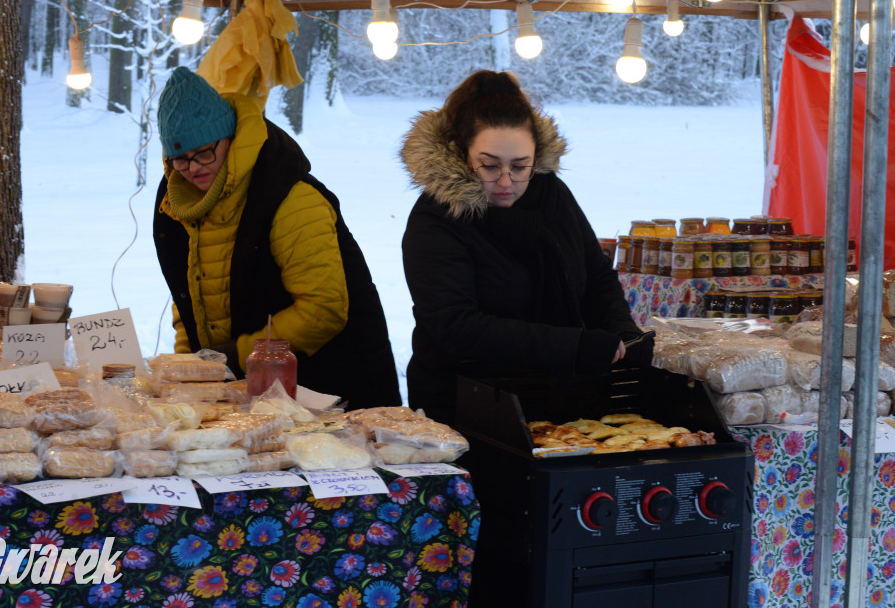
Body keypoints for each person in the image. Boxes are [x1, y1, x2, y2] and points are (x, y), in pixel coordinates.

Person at [400, 70, 652, 425]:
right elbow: (455, 326)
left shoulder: (551, 194)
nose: (505, 181)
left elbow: (594, 275)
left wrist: (621, 328)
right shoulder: (436, 218)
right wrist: (574, 346)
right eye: (488, 166)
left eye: (520, 167)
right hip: (465, 406)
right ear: (460, 153)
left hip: (560, 399)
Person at [153, 66, 400, 409]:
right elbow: (189, 299)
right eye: (180, 158)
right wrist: (186, 371)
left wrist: (235, 357)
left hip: (328, 393)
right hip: (244, 392)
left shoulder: (291, 199)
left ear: (231, 138)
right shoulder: (179, 204)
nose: (193, 167)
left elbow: (322, 309)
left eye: (205, 152)